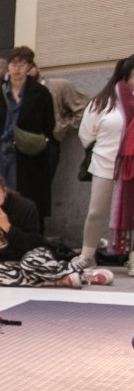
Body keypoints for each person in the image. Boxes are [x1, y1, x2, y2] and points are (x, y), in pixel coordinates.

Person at [0, 173, 110, 288]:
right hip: (5, 264)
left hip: (33, 256)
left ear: (4, 191)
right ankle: (59, 279)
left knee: (30, 264)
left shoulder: (25, 206)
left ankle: (83, 275)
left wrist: (8, 228)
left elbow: (34, 244)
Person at [0, 46, 56, 223]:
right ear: (8, 67)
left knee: (22, 196)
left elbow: (48, 125)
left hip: (27, 152)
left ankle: (20, 234)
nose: (17, 68)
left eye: (22, 64)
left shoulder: (41, 94)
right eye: (13, 64)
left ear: (29, 67)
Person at [75, 55, 134, 277]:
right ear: (127, 76)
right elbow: (86, 135)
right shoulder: (104, 101)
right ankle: (86, 256)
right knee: (96, 211)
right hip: (105, 163)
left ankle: (133, 258)